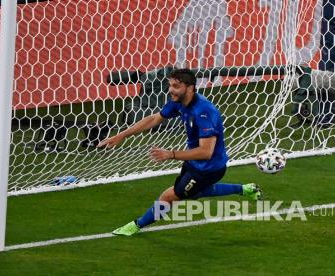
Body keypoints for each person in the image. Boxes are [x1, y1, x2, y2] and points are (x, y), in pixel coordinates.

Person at [97, 68, 262, 236]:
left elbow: (206, 152)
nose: (170, 90)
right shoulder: (178, 102)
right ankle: (245, 189)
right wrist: (122, 135)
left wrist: (171, 154)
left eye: (176, 86)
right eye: (170, 85)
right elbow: (155, 118)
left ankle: (136, 225)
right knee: (194, 193)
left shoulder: (204, 112)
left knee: (169, 196)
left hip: (208, 168)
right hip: (193, 161)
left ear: (190, 88)